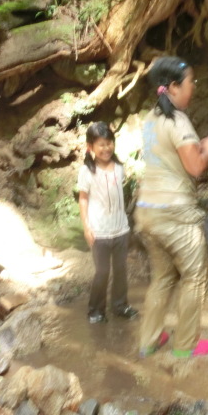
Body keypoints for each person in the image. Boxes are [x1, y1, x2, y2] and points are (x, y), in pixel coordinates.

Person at [135, 56, 208, 358]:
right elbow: (194, 167)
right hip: (175, 215)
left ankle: (149, 340)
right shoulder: (178, 121)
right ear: (174, 87)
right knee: (196, 274)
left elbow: (172, 155)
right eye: (191, 82)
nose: (194, 87)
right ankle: (186, 346)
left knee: (163, 278)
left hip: (147, 212)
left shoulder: (152, 119)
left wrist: (200, 144)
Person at [77, 121, 138, 324]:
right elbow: (83, 198)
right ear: (90, 147)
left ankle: (120, 305)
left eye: (109, 143)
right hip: (99, 231)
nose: (106, 148)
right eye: (101, 144)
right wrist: (86, 227)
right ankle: (95, 310)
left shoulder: (119, 168)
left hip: (120, 229)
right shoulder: (87, 171)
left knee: (120, 269)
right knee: (102, 272)